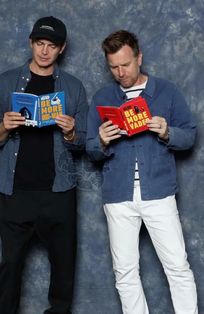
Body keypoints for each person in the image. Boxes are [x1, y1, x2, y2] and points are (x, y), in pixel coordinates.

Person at [86, 30, 198, 313]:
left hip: (158, 192)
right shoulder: (102, 97)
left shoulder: (166, 91)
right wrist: (100, 140)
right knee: (124, 273)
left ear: (139, 58)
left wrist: (167, 131)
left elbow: (190, 136)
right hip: (118, 196)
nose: (120, 72)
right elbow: (90, 150)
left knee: (177, 267)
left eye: (126, 64)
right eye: (113, 67)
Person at [0, 16, 88, 314]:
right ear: (31, 43)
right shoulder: (6, 82)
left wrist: (70, 132)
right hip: (15, 191)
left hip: (59, 191)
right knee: (11, 265)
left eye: (52, 46)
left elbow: (84, 141)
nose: (44, 51)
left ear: (62, 49)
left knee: (64, 266)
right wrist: (4, 125)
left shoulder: (73, 87)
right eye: (39, 44)